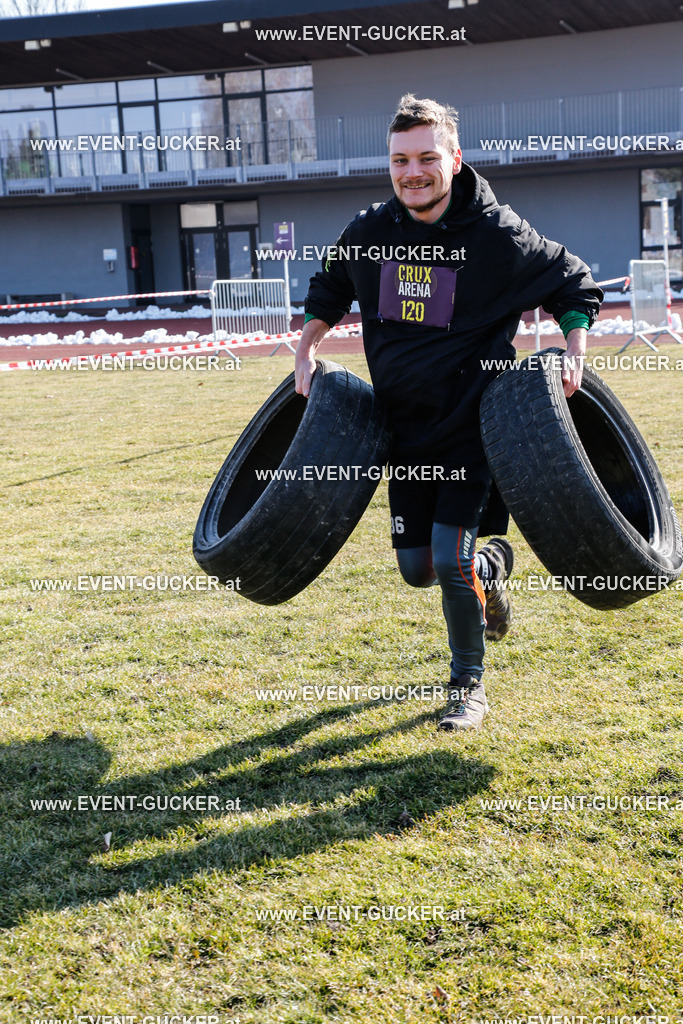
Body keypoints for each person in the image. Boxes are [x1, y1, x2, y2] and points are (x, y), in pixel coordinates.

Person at [294, 93, 602, 732]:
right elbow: (329, 286)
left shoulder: (497, 236)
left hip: (473, 427)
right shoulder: (371, 232)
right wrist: (308, 344)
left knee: (450, 559)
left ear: (455, 159)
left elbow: (569, 280)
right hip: (403, 432)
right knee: (418, 569)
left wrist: (572, 350)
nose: (413, 172)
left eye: (427, 158)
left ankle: (468, 687)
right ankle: (494, 565)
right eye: (400, 160)